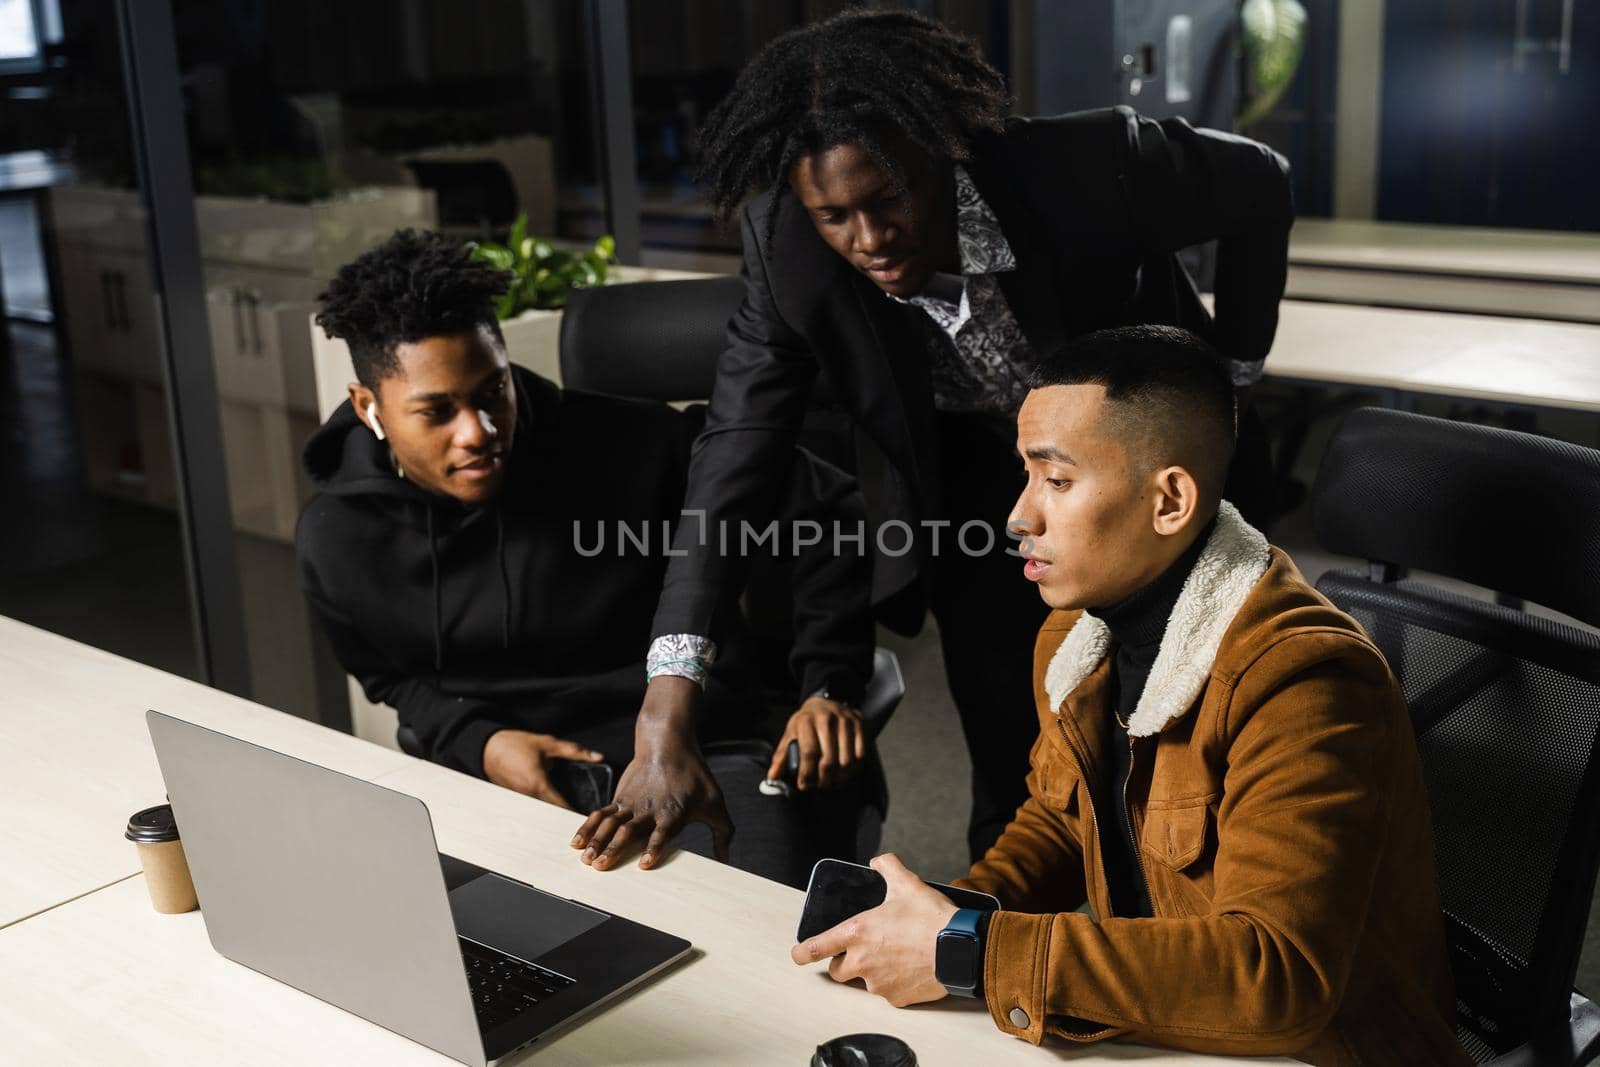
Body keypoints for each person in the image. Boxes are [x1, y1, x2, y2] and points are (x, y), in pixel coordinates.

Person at [576, 8, 1295, 872]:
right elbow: (734, 449)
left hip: (1155, 476)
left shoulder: (1090, 166)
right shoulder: (789, 247)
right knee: (1011, 744)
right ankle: (1007, 935)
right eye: (837, 215)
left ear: (940, 151)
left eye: (887, 201)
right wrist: (666, 705)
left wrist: (1234, 367)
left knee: (1202, 720)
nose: (870, 240)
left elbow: (1261, 180)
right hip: (980, 491)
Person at [789, 326, 1469, 1065]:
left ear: (1170, 500)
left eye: (1056, 480)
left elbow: (1278, 976)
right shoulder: (1075, 636)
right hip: (1170, 1029)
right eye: (1025, 475)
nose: (1019, 516)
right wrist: (942, 915)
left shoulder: (1303, 679)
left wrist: (974, 953)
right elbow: (1061, 822)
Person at [296, 229, 876, 887]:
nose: (478, 432)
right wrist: (480, 740)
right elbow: (389, 677)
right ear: (367, 406)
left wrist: (829, 680)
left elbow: (828, 507)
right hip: (508, 780)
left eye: (493, 391)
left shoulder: (638, 443)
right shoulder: (339, 535)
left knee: (759, 951)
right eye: (438, 411)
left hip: (697, 750)